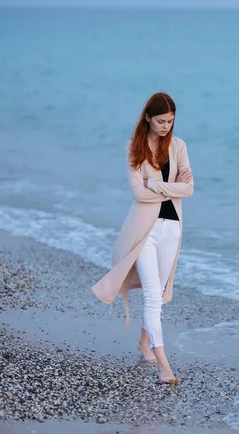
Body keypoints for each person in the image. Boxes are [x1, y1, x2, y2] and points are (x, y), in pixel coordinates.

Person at [91, 92, 194, 385]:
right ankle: (164, 366)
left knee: (159, 293)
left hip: (171, 227)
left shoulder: (179, 147)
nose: (165, 126)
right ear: (147, 117)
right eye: (161, 120)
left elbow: (189, 189)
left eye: (170, 121)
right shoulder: (134, 148)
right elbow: (138, 193)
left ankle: (143, 343)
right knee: (151, 295)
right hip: (144, 231)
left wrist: (156, 184)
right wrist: (171, 185)